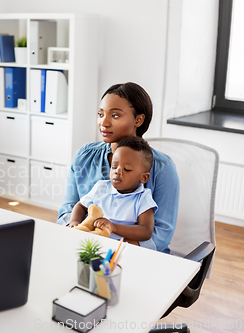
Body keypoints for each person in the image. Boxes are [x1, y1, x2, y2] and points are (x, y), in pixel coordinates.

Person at [57, 82, 179, 253]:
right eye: (100, 114)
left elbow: (162, 232)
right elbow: (67, 211)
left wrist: (115, 248)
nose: (103, 123)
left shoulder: (162, 168)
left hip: (133, 255)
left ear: (138, 120)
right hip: (83, 245)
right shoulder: (83, 156)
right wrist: (77, 231)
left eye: (114, 115)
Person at [68, 137, 157, 244]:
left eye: (127, 169)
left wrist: (113, 227)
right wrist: (74, 221)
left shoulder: (143, 198)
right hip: (96, 241)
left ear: (144, 178)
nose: (117, 171)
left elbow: (146, 231)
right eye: (114, 167)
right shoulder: (101, 187)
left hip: (123, 247)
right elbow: (81, 206)